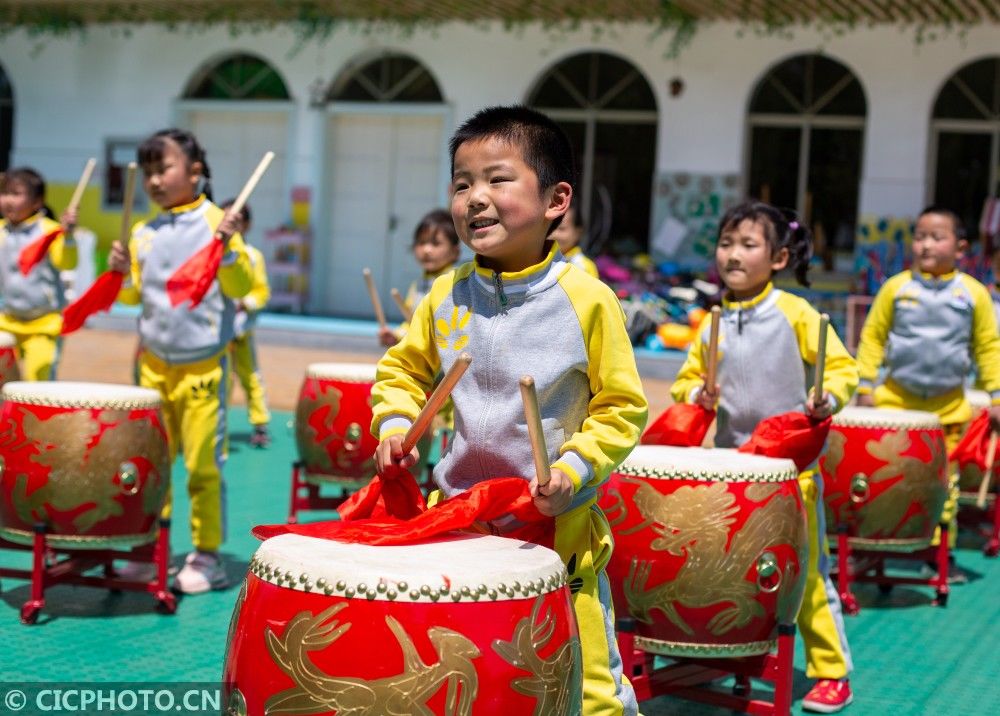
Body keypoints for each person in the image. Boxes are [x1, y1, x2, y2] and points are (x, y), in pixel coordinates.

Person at [371, 105, 648, 715]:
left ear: (556, 200)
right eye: (462, 182)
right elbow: (402, 371)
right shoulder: (446, 293)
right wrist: (395, 425)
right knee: (466, 676)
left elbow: (622, 406)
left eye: (498, 179)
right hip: (460, 523)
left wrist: (574, 470)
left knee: (589, 685)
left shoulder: (587, 299)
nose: (475, 198)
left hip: (558, 530)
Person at [671, 201, 859, 713]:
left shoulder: (796, 312)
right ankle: (727, 656)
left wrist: (827, 397)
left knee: (809, 574)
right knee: (730, 571)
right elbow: (687, 382)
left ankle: (831, 669)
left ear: (777, 258)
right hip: (733, 471)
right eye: (726, 243)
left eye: (747, 245)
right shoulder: (711, 320)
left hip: (792, 472)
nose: (732, 254)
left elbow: (842, 370)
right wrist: (695, 397)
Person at [109, 129, 252, 594]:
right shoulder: (142, 232)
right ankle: (151, 547)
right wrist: (116, 272)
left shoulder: (219, 222)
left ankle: (207, 553)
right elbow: (134, 295)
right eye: (147, 171)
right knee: (153, 464)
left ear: (195, 171)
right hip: (152, 365)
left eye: (162, 169)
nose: (153, 180)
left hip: (203, 368)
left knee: (203, 465)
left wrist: (228, 251)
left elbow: (241, 286)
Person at [856, 206, 1000, 580]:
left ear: (961, 248)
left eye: (937, 238)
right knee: (882, 484)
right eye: (920, 237)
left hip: (947, 413)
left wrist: (997, 395)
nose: (925, 245)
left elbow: (988, 347)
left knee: (943, 490)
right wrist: (866, 385)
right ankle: (868, 547)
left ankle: (940, 553)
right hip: (893, 409)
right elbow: (872, 337)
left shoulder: (973, 294)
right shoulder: (895, 287)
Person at [0, 168, 78, 380]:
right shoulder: (1, 231)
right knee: (5, 383)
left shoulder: (50, 232)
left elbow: (67, 262)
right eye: (4, 192)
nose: (7, 200)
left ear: (37, 202)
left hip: (44, 324)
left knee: (37, 384)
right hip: (7, 322)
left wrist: (68, 236)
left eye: (15, 194)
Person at [220, 199, 272, 448]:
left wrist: (245, 302)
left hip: (242, 329)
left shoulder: (253, 257)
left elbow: (262, 292)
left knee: (251, 376)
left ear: (247, 225)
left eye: (238, 220)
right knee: (222, 378)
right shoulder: (213, 252)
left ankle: (260, 423)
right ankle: (218, 424)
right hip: (219, 330)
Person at [377, 208, 460, 347]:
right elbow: (412, 323)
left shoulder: (458, 282)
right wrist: (396, 336)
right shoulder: (418, 285)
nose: (427, 250)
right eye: (421, 243)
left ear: (455, 251)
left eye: (435, 243)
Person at [551, 196, 599, 278]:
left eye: (561, 228)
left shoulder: (583, 267)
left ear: (578, 233)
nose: (553, 234)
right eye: (550, 227)